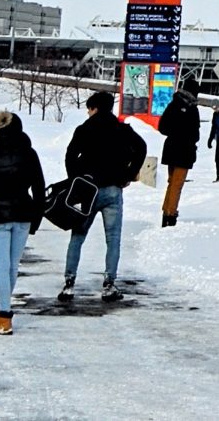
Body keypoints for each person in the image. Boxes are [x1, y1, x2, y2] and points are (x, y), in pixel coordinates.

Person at [60, 88, 147, 302]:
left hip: (87, 190)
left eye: (89, 109)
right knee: (113, 238)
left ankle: (69, 283)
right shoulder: (122, 129)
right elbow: (141, 148)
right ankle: (109, 285)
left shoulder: (84, 129)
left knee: (78, 236)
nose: (88, 113)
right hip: (112, 189)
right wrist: (128, 173)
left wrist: (76, 180)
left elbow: (70, 156)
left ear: (94, 108)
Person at [0, 110, 46, 335]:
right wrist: (36, 218)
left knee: (2, 267)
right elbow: (39, 188)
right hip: (24, 212)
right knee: (13, 266)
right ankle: (1, 312)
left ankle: (4, 315)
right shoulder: (30, 153)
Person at [158, 84, 200, 227]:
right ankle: (171, 214)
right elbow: (195, 134)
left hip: (171, 148)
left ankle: (166, 211)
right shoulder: (193, 109)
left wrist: (174, 133)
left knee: (172, 182)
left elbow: (162, 127)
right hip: (185, 150)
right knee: (177, 184)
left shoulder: (172, 105)